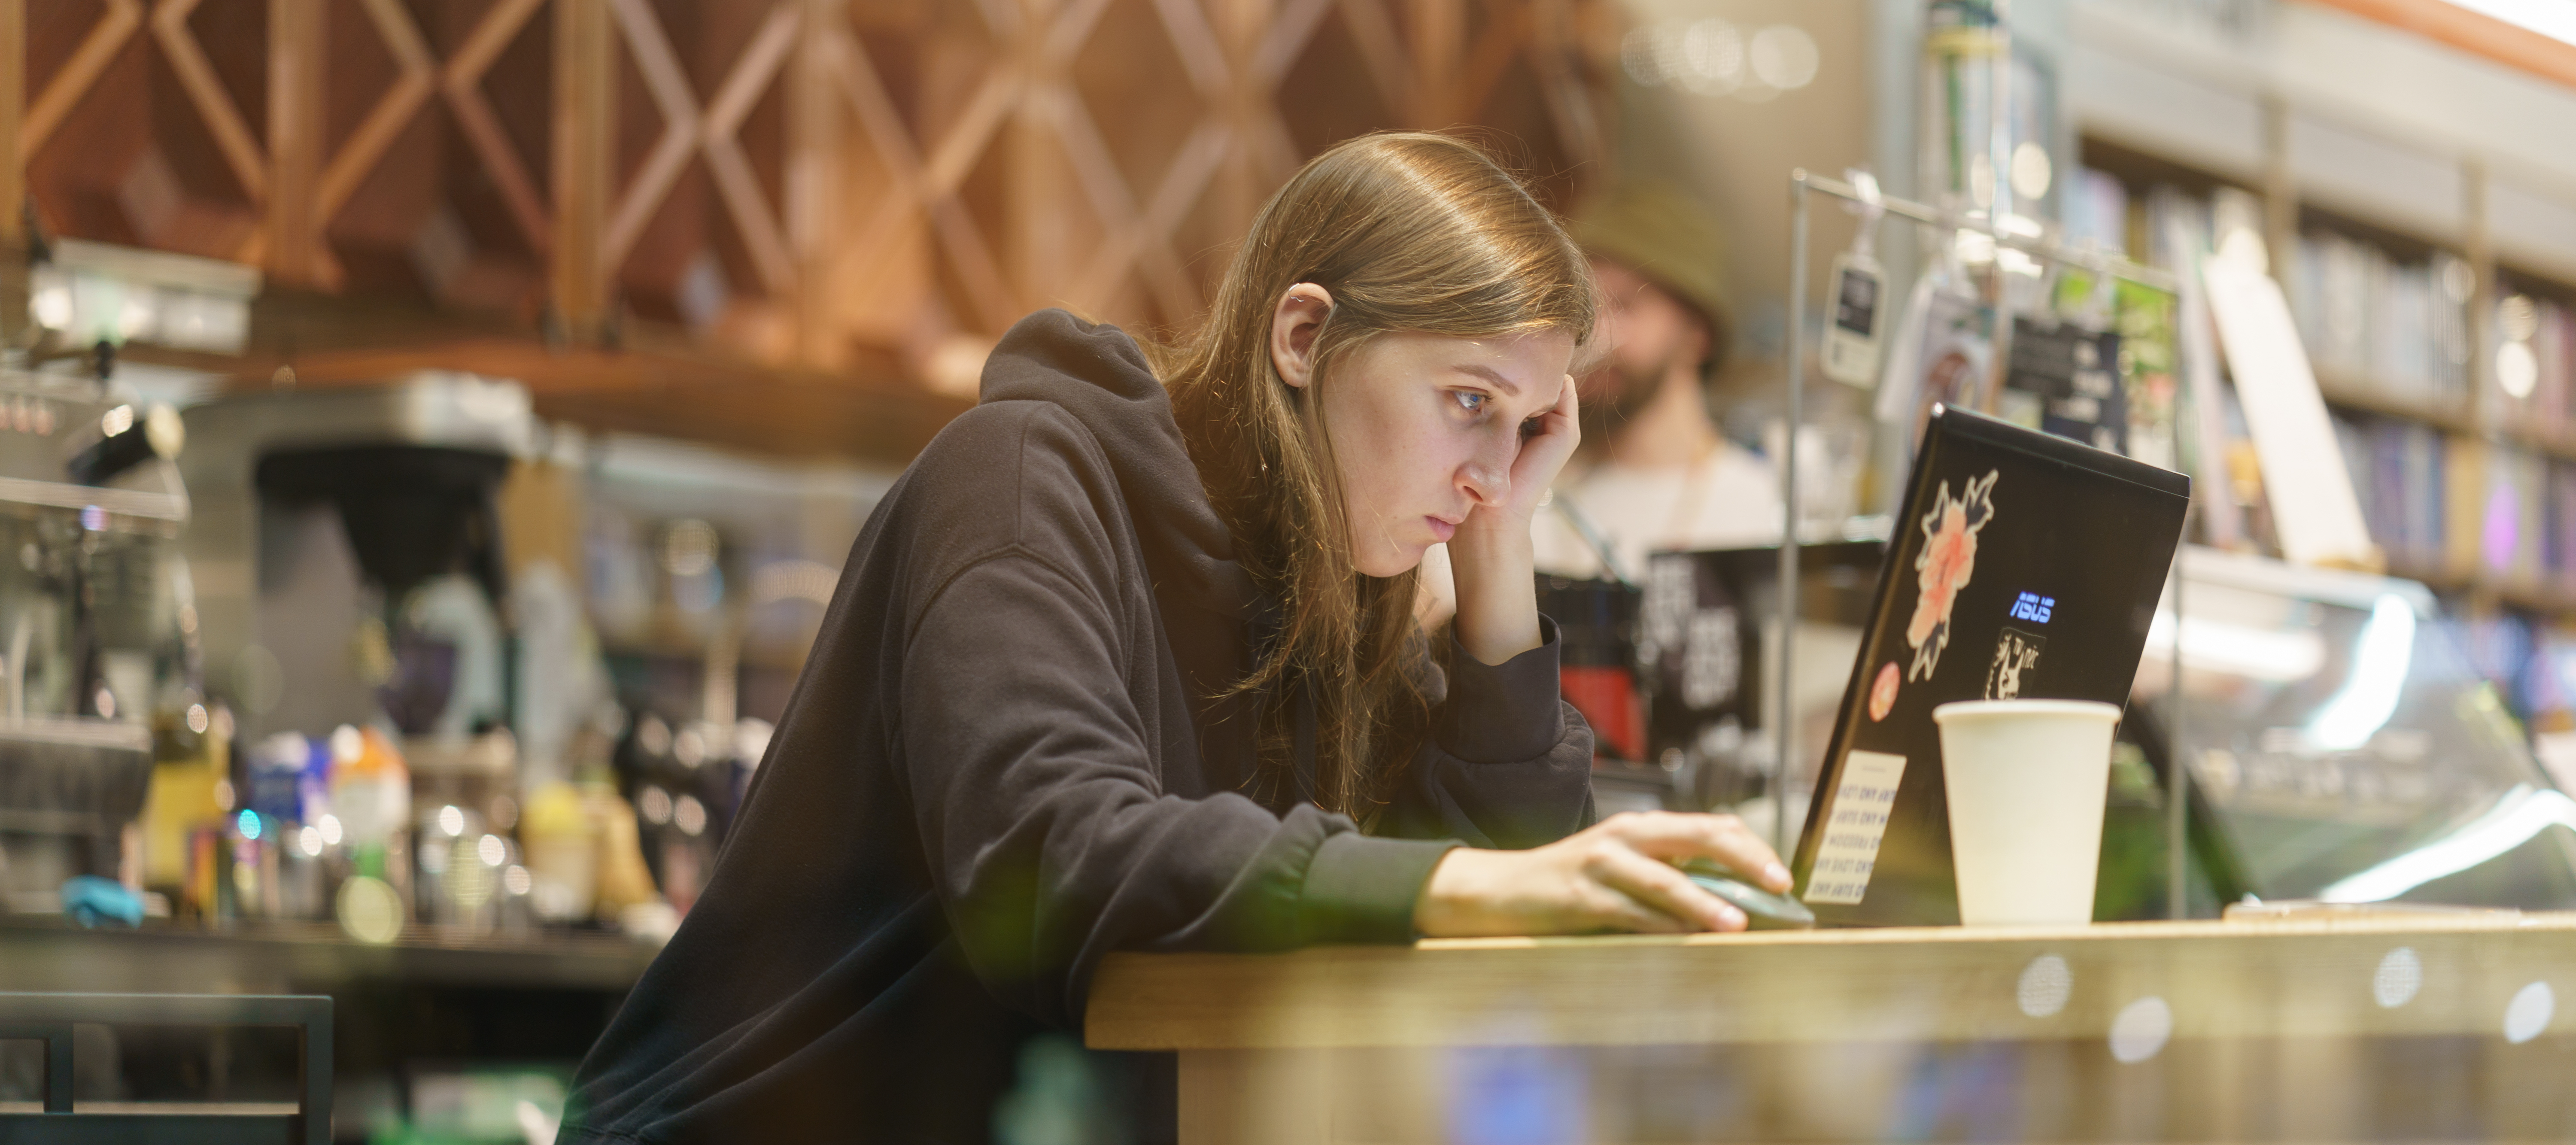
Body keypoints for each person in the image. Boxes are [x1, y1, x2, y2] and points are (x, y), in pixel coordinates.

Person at [559, 134, 1791, 1145]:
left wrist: (1503, 551)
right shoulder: (1024, 475)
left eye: (1526, 427)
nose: (1490, 470)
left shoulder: (1336, 576)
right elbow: (1050, 852)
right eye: (1469, 402)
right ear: (1303, 338)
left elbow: (1497, 898)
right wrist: (1468, 882)